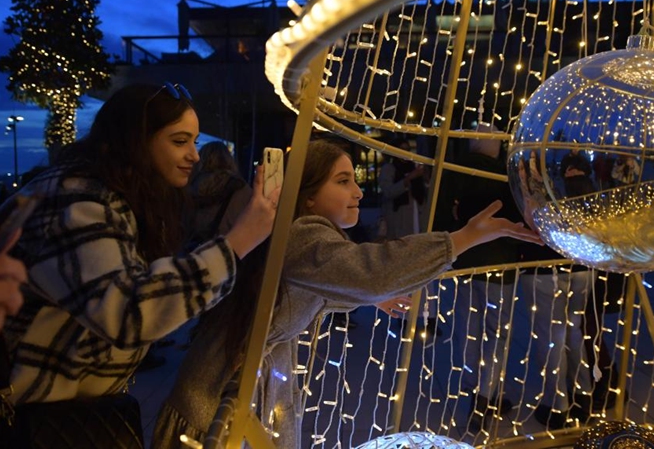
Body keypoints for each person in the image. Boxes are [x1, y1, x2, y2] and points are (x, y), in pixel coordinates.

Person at [154, 139, 542, 448]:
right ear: (306, 195)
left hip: (244, 391)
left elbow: (322, 285)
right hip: (216, 409)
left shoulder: (297, 238)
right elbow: (369, 270)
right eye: (342, 181)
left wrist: (374, 297)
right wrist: (465, 237)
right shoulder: (303, 234)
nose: (358, 191)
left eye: (354, 180)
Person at [0, 83, 279, 444]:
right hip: (14, 423)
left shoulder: (117, 196)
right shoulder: (77, 200)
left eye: (195, 142)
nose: (194, 156)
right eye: (179, 141)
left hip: (61, 412)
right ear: (136, 141)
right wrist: (239, 241)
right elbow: (128, 311)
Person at [434, 124, 521, 435]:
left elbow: (441, 215)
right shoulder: (504, 174)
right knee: (495, 333)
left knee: (467, 329)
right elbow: (518, 217)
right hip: (500, 263)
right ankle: (486, 397)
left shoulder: (452, 170)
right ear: (491, 144)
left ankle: (478, 391)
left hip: (463, 259)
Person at [518, 153, 593, 430]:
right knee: (573, 331)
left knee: (552, 337)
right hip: (581, 266)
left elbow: (531, 224)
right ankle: (583, 395)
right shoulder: (585, 186)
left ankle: (557, 405)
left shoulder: (533, 188)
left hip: (544, 268)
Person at [378, 137, 427, 239]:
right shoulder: (389, 169)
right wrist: (408, 179)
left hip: (416, 214)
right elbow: (388, 192)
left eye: (407, 150)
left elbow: (422, 192)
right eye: (402, 150)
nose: (405, 153)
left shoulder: (412, 166)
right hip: (399, 218)